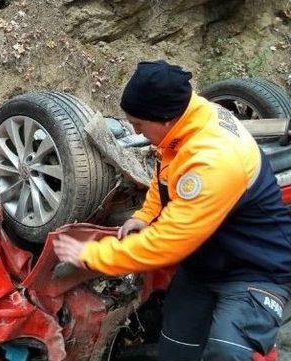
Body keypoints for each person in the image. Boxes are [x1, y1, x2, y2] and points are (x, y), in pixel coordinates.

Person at [54, 60, 291, 360]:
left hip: (256, 269)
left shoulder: (213, 160)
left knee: (227, 353)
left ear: (165, 119)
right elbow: (165, 171)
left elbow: (167, 244)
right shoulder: (187, 119)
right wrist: (145, 215)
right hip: (204, 265)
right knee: (176, 352)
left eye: (139, 125)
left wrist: (91, 256)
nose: (135, 132)